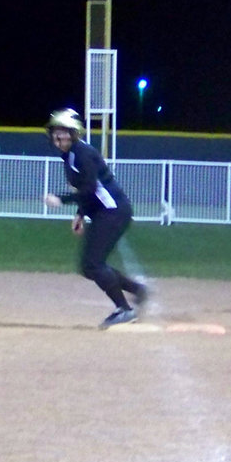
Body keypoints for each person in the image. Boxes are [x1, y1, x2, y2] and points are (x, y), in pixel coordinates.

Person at [42, 108, 148, 329]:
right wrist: (80, 214)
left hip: (113, 211)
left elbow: (90, 189)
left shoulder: (82, 154)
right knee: (89, 265)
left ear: (73, 133)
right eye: (55, 134)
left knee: (92, 264)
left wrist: (61, 200)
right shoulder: (70, 156)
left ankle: (125, 310)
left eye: (62, 133)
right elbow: (86, 189)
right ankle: (138, 291)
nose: (57, 138)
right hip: (104, 212)